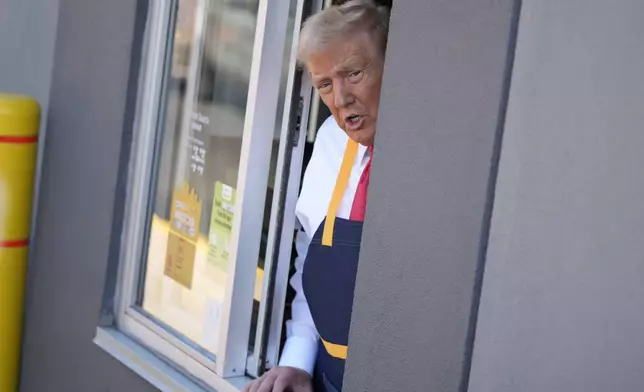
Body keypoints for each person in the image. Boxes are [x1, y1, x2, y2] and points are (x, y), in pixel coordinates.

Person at [244, 1, 389, 391]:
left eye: (354, 74)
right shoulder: (329, 142)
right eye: (325, 84)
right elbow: (313, 265)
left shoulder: (433, 160)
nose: (340, 99)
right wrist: (297, 360)